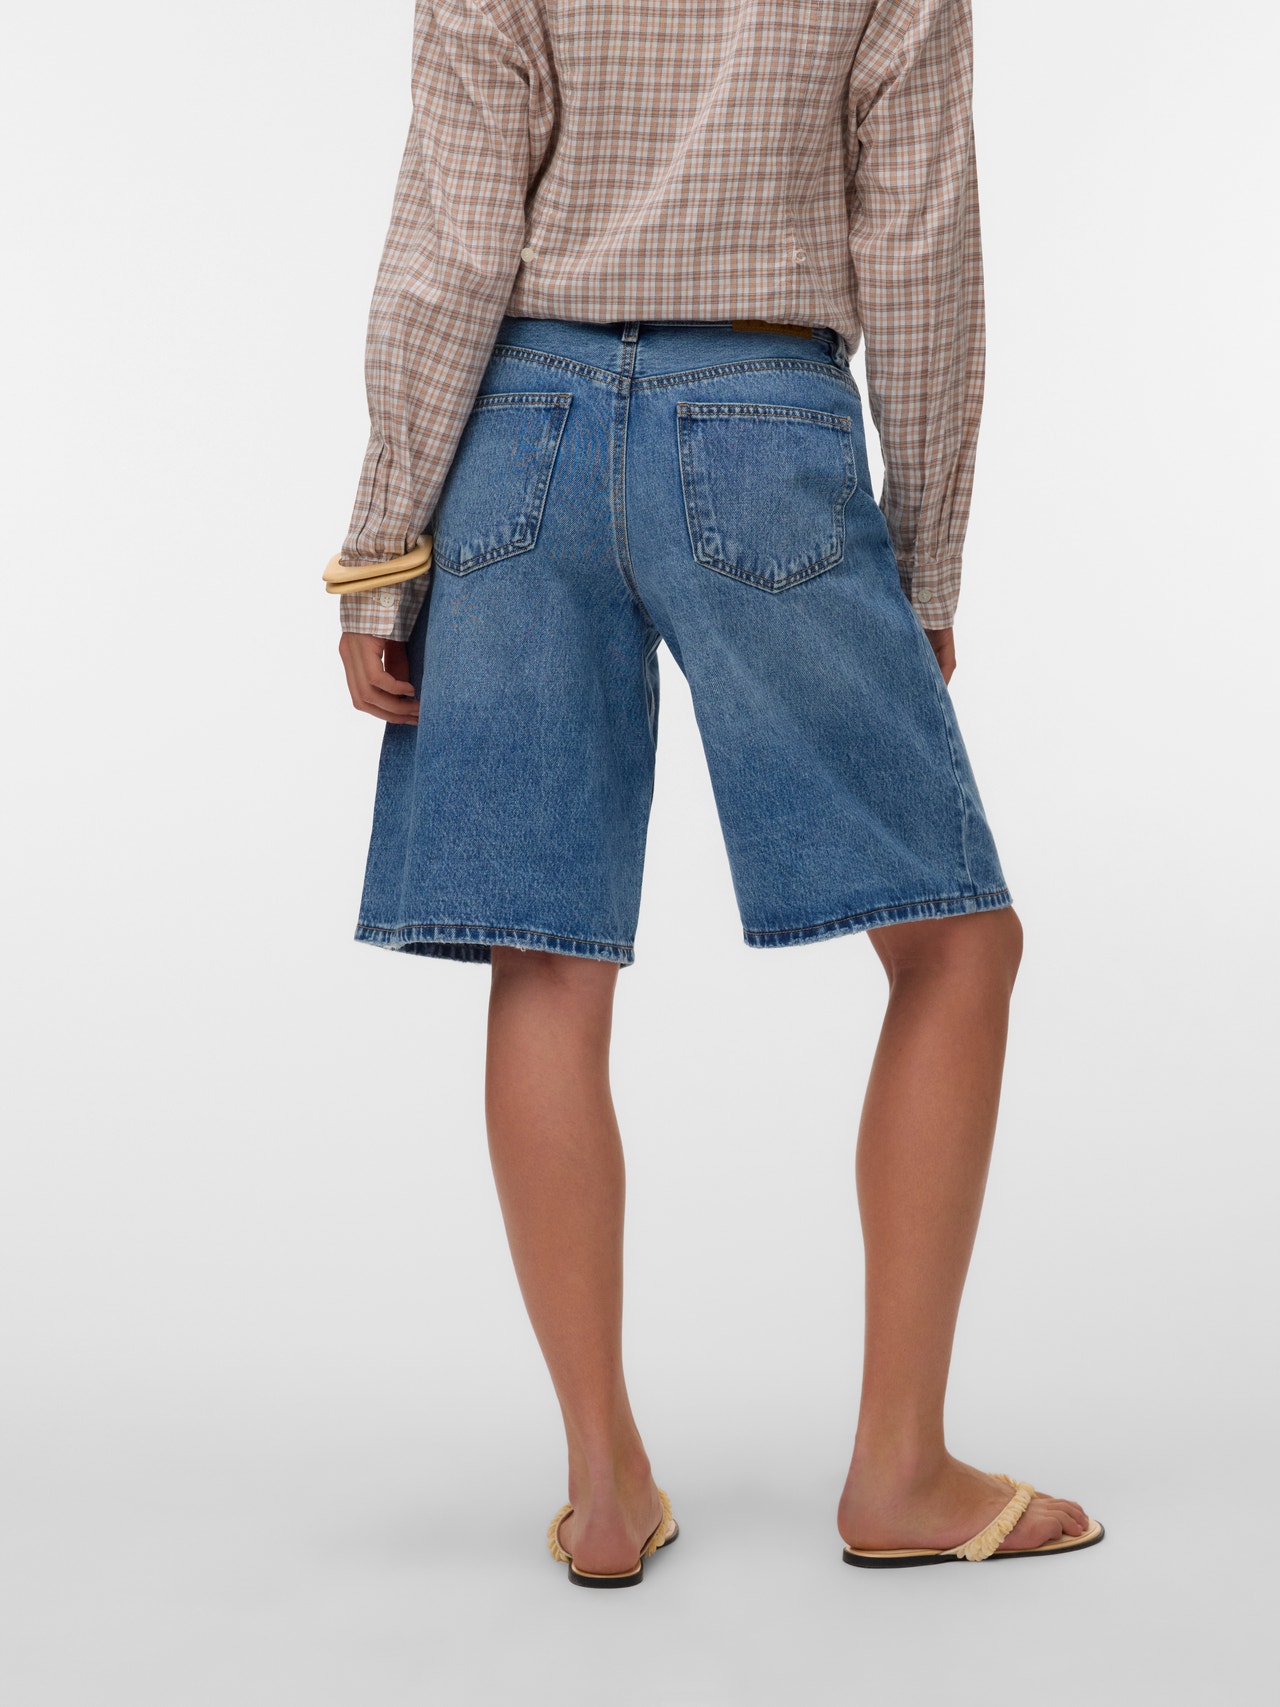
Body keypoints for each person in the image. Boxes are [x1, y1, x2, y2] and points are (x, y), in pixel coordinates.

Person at [329, 0, 1102, 1583]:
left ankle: (604, 1489)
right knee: (957, 945)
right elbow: (923, 256)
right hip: (761, 422)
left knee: (547, 958)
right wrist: (927, 560)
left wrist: (381, 552)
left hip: (516, 429)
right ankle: (900, 1471)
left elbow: (451, 240)